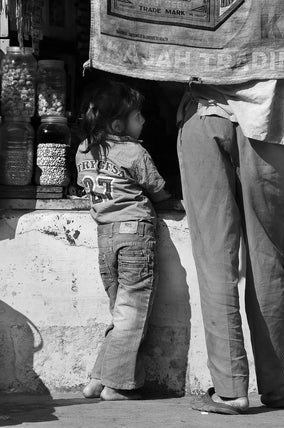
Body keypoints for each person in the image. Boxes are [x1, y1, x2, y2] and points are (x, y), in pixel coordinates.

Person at [177, 79, 284, 414]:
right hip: (267, 123)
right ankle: (276, 387)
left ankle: (231, 390)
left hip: (205, 115)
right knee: (267, 259)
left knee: (215, 259)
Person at [76, 80, 171, 401]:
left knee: (121, 313)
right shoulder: (133, 151)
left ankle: (98, 379)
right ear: (118, 125)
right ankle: (116, 386)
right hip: (134, 238)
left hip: (105, 239)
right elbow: (158, 192)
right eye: (137, 115)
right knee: (131, 315)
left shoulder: (83, 150)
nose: (143, 120)